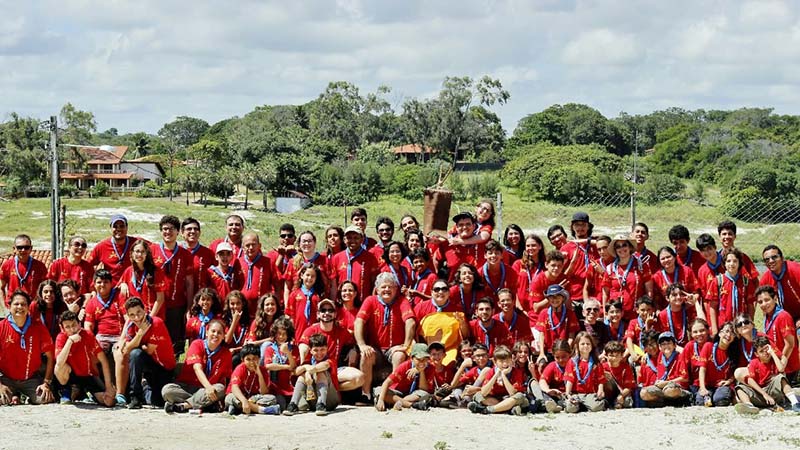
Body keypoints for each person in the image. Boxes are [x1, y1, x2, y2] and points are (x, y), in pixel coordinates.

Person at [354, 273, 415, 401]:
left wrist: (405, 345)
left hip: (394, 348)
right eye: (383, 287)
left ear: (395, 289)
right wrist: (362, 345)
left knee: (399, 355)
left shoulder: (401, 301)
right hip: (376, 348)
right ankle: (366, 394)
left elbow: (410, 322)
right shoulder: (370, 300)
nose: (387, 289)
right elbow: (359, 321)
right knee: (366, 354)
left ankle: (391, 393)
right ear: (377, 289)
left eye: (390, 287)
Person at [115, 297, 176, 408]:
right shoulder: (130, 324)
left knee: (157, 402)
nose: (137, 317)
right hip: (149, 363)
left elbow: (149, 350)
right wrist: (140, 334)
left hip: (163, 366)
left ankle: (145, 387)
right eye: (132, 315)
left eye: (139, 312)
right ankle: (135, 397)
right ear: (128, 316)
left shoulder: (156, 323)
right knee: (135, 354)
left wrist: (136, 343)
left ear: (145, 310)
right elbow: (126, 350)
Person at [298, 299, 364, 399]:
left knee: (360, 378)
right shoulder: (311, 330)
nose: (327, 313)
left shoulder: (341, 331)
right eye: (323, 310)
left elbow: (352, 341)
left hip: (333, 370)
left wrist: (353, 350)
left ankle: (331, 389)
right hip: (313, 370)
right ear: (318, 314)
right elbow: (303, 346)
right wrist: (304, 364)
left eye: (330, 310)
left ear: (335, 314)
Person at [163, 319, 232, 413]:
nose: (216, 334)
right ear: (207, 332)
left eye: (219, 333)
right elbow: (197, 368)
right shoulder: (197, 344)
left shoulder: (226, 353)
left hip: (210, 389)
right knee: (167, 390)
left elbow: (225, 379)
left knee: (220, 389)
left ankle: (184, 406)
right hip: (189, 387)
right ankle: (205, 404)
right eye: (213, 331)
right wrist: (208, 387)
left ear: (223, 336)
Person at [0, 290, 55, 405]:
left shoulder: (38, 327)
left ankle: (22, 397)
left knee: (45, 399)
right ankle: (15, 396)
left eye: (23, 304)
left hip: (31, 379)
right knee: (2, 400)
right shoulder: (1, 327)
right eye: (16, 304)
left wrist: (46, 383)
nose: (20, 307)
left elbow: (51, 356)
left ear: (29, 308)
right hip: (6, 378)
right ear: (9, 306)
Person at [150, 215, 195, 356]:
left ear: (177, 232)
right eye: (164, 229)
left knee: (175, 342)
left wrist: (188, 307)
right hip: (156, 304)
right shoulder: (152, 251)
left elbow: (189, 283)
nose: (167, 232)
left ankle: (172, 371)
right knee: (154, 340)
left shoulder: (185, 254)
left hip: (177, 305)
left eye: (171, 229)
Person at [53, 310, 115, 406]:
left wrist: (108, 386)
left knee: (109, 402)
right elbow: (59, 362)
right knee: (58, 368)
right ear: (62, 328)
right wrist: (69, 341)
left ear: (79, 324)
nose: (72, 329)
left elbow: (103, 360)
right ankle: (67, 390)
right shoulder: (61, 337)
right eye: (67, 327)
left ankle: (88, 394)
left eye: (74, 325)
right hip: (71, 375)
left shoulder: (88, 335)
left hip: (87, 374)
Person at [734, 336, 800, 414]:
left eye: (766, 350)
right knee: (739, 388)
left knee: (780, 378)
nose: (765, 353)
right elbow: (750, 380)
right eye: (761, 351)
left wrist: (772, 352)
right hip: (760, 394)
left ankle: (795, 403)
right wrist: (764, 394)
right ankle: (749, 405)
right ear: (756, 354)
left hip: (773, 393)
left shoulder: (774, 360)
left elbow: (781, 369)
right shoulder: (754, 363)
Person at [283, 333, 340, 416]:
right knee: (301, 376)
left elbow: (323, 366)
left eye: (322, 349)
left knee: (320, 372)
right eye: (316, 350)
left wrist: (308, 372)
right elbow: (296, 372)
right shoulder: (308, 360)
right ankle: (293, 404)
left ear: (327, 349)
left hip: (330, 400)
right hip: (312, 400)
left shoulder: (330, 359)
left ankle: (321, 404)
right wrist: (306, 367)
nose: (319, 353)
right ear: (310, 350)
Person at [704, 247, 756, 334]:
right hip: (724, 327)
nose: (731, 264)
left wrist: (749, 323)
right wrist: (714, 329)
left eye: (735, 261)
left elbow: (750, 305)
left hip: (742, 326)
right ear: (724, 263)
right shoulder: (718, 281)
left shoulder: (746, 281)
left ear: (739, 263)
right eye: (728, 261)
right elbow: (713, 307)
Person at [602, 234, 653, 321]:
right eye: (618, 247)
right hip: (615, 315)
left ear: (630, 247)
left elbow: (649, 291)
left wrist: (646, 310)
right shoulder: (610, 269)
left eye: (624, 245)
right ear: (615, 250)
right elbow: (605, 293)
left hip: (636, 315)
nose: (621, 249)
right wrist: (605, 313)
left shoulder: (641, 266)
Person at [467, 345, 528, 415]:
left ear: (511, 360)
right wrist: (496, 375)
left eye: (507, 361)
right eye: (501, 361)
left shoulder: (517, 372)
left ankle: (488, 409)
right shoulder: (491, 372)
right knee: (478, 396)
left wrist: (503, 375)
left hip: (509, 398)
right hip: (496, 399)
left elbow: (512, 393)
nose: (505, 364)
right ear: (495, 362)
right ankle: (505, 408)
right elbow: (484, 392)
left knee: (519, 396)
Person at [755, 285, 800, 383]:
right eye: (760, 302)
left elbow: (790, 345)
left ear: (775, 298)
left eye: (767, 300)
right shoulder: (767, 316)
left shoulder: (783, 316)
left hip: (788, 367)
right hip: (776, 365)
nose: (764, 304)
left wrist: (781, 365)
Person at [375, 343, 435, 411]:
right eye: (418, 359)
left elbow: (423, 388)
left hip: (412, 395)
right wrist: (381, 400)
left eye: (425, 359)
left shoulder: (431, 367)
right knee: (379, 391)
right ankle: (412, 405)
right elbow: (386, 382)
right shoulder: (405, 366)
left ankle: (397, 403)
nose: (422, 362)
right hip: (398, 392)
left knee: (424, 394)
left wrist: (421, 371)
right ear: (412, 358)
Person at [224, 343, 280, 415]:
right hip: (239, 396)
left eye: (254, 359)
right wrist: (244, 401)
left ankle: (238, 408)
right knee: (229, 398)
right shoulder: (240, 368)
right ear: (242, 360)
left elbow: (264, 392)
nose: (251, 362)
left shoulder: (263, 370)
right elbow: (234, 387)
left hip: (253, 398)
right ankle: (262, 410)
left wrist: (259, 374)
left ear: (259, 358)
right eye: (248, 359)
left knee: (272, 398)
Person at [330, 225, 381, 302]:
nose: (352, 240)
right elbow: (334, 286)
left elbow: (374, 283)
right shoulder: (337, 258)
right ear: (344, 239)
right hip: (343, 303)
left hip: (363, 303)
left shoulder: (370, 258)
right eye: (349, 238)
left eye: (356, 238)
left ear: (362, 239)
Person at [639, 331, 690, 407]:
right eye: (663, 344)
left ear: (674, 345)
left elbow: (685, 378)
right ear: (659, 347)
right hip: (663, 387)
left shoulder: (680, 356)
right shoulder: (660, 355)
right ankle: (664, 402)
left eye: (669, 343)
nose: (666, 346)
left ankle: (679, 401)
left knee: (670, 390)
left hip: (677, 386)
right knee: (643, 393)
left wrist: (667, 382)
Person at [119, 239, 166, 320]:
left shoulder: (156, 272)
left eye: (142, 252)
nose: (139, 254)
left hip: (152, 316)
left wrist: (149, 318)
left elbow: (160, 299)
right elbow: (120, 287)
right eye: (137, 251)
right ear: (132, 253)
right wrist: (122, 285)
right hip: (135, 318)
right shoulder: (128, 271)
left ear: (147, 254)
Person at [535, 285, 578, 368]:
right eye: (551, 297)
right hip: (549, 352)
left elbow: (571, 336)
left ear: (563, 298)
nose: (554, 299)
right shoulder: (544, 313)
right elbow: (541, 335)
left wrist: (565, 352)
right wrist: (541, 353)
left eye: (557, 296)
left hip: (564, 352)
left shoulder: (570, 314)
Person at [88, 214, 140, 285]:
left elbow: (155, 248)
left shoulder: (136, 243)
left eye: (122, 226)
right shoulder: (101, 246)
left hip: (132, 285)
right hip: (109, 288)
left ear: (127, 227)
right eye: (115, 226)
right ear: (110, 228)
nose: (118, 229)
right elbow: (87, 265)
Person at [83, 270, 125, 355]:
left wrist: (122, 339)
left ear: (111, 284)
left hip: (119, 336)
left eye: (106, 282)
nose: (102, 285)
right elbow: (88, 327)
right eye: (99, 282)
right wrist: (92, 343)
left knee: (120, 353)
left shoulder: (120, 296)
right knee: (93, 352)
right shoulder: (91, 302)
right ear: (94, 284)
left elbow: (128, 319)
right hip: (102, 337)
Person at [560, 212, 598, 304]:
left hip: (595, 294)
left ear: (588, 227)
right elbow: (562, 275)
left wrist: (587, 241)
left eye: (583, 225)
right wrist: (572, 263)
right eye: (577, 225)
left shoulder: (596, 245)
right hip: (574, 295)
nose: (580, 228)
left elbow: (609, 244)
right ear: (572, 227)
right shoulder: (566, 248)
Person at [563, 331, 606, 413]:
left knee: (596, 407)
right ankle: (580, 405)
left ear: (592, 346)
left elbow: (601, 379)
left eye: (588, 344)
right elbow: (569, 380)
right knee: (570, 408)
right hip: (576, 394)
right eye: (582, 344)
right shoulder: (572, 362)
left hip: (589, 394)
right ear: (577, 346)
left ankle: (586, 405)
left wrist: (600, 390)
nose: (585, 346)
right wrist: (568, 394)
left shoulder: (596, 362)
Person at [261, 316, 298, 410]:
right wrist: (286, 367)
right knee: (281, 405)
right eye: (278, 334)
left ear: (288, 335)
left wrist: (288, 353)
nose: (281, 337)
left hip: (291, 387)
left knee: (302, 406)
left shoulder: (294, 349)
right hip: (276, 387)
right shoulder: (270, 349)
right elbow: (268, 366)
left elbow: (294, 367)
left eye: (284, 334)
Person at [0, 234, 47, 307]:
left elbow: (44, 289)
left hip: (32, 307)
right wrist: (5, 307)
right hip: (13, 306)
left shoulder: (40, 266)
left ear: (31, 248)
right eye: (20, 247)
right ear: (14, 249)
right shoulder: (7, 265)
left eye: (26, 247)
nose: (23, 250)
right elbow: (1, 288)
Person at [181, 217, 216, 315]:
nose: (193, 231)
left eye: (196, 229)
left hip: (203, 302)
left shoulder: (208, 253)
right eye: (189, 229)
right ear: (182, 233)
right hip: (179, 301)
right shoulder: (177, 252)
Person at [696, 321, 736, 407]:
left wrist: (728, 381)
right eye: (726, 331)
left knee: (720, 400)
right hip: (708, 385)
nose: (728, 335)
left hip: (721, 385)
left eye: (732, 333)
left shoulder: (733, 352)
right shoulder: (708, 346)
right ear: (720, 333)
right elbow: (702, 369)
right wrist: (702, 388)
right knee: (701, 401)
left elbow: (735, 372)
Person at [439, 212, 486, 281]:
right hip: (453, 288)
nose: (464, 227)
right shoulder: (447, 244)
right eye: (461, 225)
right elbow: (436, 261)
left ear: (474, 226)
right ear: (456, 228)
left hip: (476, 289)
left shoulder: (482, 244)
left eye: (468, 224)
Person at [759, 245, 800, 322]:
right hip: (785, 317)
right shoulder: (765, 280)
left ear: (782, 258)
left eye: (774, 257)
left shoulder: (796, 270)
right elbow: (765, 308)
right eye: (767, 259)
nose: (771, 261)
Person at [652, 246, 699, 311]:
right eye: (663, 259)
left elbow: (696, 293)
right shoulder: (656, 277)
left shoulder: (687, 271)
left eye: (668, 257)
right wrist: (658, 311)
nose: (666, 260)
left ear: (675, 257)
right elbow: (656, 300)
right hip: (668, 313)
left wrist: (691, 301)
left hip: (688, 310)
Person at [237, 232, 275, 311]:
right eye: (247, 245)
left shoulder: (268, 262)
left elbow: (277, 285)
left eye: (253, 244)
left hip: (262, 308)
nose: (250, 248)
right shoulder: (237, 263)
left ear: (259, 246)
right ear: (243, 247)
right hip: (242, 308)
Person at [531, 339, 570, 413]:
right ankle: (549, 404)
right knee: (537, 388)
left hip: (568, 395)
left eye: (564, 357)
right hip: (554, 395)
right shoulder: (552, 365)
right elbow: (542, 381)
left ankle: (553, 406)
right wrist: (548, 390)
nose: (561, 360)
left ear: (569, 354)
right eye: (557, 357)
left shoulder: (574, 365)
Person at [286, 231, 329, 298]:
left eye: (309, 241)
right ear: (299, 244)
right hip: (297, 301)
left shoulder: (325, 260)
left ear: (314, 243)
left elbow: (331, 284)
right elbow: (287, 287)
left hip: (320, 301)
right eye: (304, 241)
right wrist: (287, 305)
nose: (307, 243)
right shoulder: (293, 262)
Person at [285, 265, 325, 338]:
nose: (309, 278)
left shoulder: (318, 296)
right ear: (302, 275)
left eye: (313, 276)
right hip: (298, 330)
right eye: (307, 275)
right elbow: (288, 314)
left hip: (314, 331)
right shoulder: (294, 294)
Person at [448, 343, 490, 408]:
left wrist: (476, 389)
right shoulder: (474, 370)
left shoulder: (493, 367)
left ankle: (465, 400)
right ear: (473, 358)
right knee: (458, 390)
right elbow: (454, 384)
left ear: (488, 356)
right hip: (479, 395)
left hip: (493, 396)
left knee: (486, 370)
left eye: (483, 355)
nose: (481, 358)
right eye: (478, 356)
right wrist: (462, 366)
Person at [528, 250, 567, 316]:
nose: (556, 268)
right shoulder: (537, 281)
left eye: (559, 266)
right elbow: (536, 308)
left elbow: (568, 303)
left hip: (558, 316)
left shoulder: (564, 279)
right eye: (553, 265)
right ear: (546, 265)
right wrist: (554, 293)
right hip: (538, 318)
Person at [513, 234, 545, 310]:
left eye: (533, 245)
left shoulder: (545, 265)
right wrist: (519, 307)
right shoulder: (518, 264)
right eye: (528, 246)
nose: (530, 248)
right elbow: (512, 287)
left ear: (540, 246)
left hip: (538, 307)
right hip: (520, 307)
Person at [602, 340, 635, 409]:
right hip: (608, 394)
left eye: (617, 355)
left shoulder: (626, 367)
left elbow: (629, 387)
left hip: (622, 392)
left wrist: (621, 395)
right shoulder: (603, 367)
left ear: (622, 356)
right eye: (611, 355)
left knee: (627, 402)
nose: (614, 358)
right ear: (606, 356)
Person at [625, 295, 657, 364]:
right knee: (630, 360)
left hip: (652, 351)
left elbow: (650, 340)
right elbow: (629, 339)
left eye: (648, 309)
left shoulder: (655, 322)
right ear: (637, 310)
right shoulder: (633, 322)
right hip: (639, 351)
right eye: (642, 310)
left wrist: (648, 324)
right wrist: (633, 354)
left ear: (653, 309)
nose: (645, 312)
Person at [222, 290, 250, 367]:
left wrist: (235, 350)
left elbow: (248, 343)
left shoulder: (249, 321)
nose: (235, 307)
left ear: (243, 304)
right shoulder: (223, 321)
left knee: (236, 359)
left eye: (238, 303)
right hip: (227, 352)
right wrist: (234, 321)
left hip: (243, 353)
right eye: (232, 304)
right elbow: (227, 341)